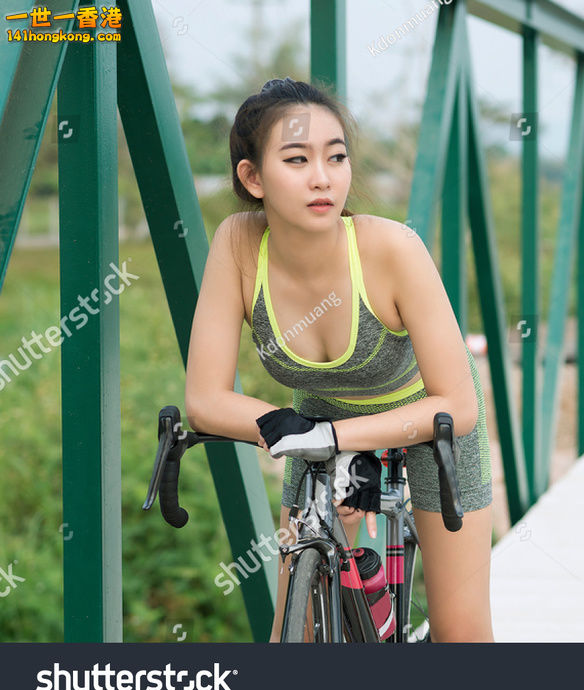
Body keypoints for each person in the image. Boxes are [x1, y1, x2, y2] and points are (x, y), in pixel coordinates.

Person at [183, 77, 494, 642]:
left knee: (461, 632)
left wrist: (339, 436)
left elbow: (461, 406)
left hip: (430, 423)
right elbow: (204, 399)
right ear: (252, 177)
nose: (323, 178)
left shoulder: (393, 248)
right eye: (297, 160)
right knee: (290, 631)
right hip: (318, 425)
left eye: (337, 157)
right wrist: (286, 426)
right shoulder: (236, 246)